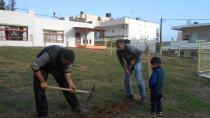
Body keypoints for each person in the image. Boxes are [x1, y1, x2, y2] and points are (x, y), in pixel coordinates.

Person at [31, 45, 82, 118]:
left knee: (67, 85)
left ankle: (76, 107)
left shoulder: (69, 59)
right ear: (61, 57)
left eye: (68, 63)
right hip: (42, 67)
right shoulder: (48, 55)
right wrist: (42, 81)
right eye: (65, 62)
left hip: (56, 67)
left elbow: (67, 71)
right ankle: (43, 115)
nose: (67, 64)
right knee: (39, 89)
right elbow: (34, 65)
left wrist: (71, 83)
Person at [116, 39, 146, 104]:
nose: (117, 47)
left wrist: (133, 59)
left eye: (118, 46)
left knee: (138, 79)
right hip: (129, 63)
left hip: (137, 62)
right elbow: (121, 62)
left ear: (123, 44)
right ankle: (129, 95)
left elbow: (140, 52)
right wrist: (126, 70)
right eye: (117, 46)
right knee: (126, 79)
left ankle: (143, 96)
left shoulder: (129, 47)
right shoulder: (118, 51)